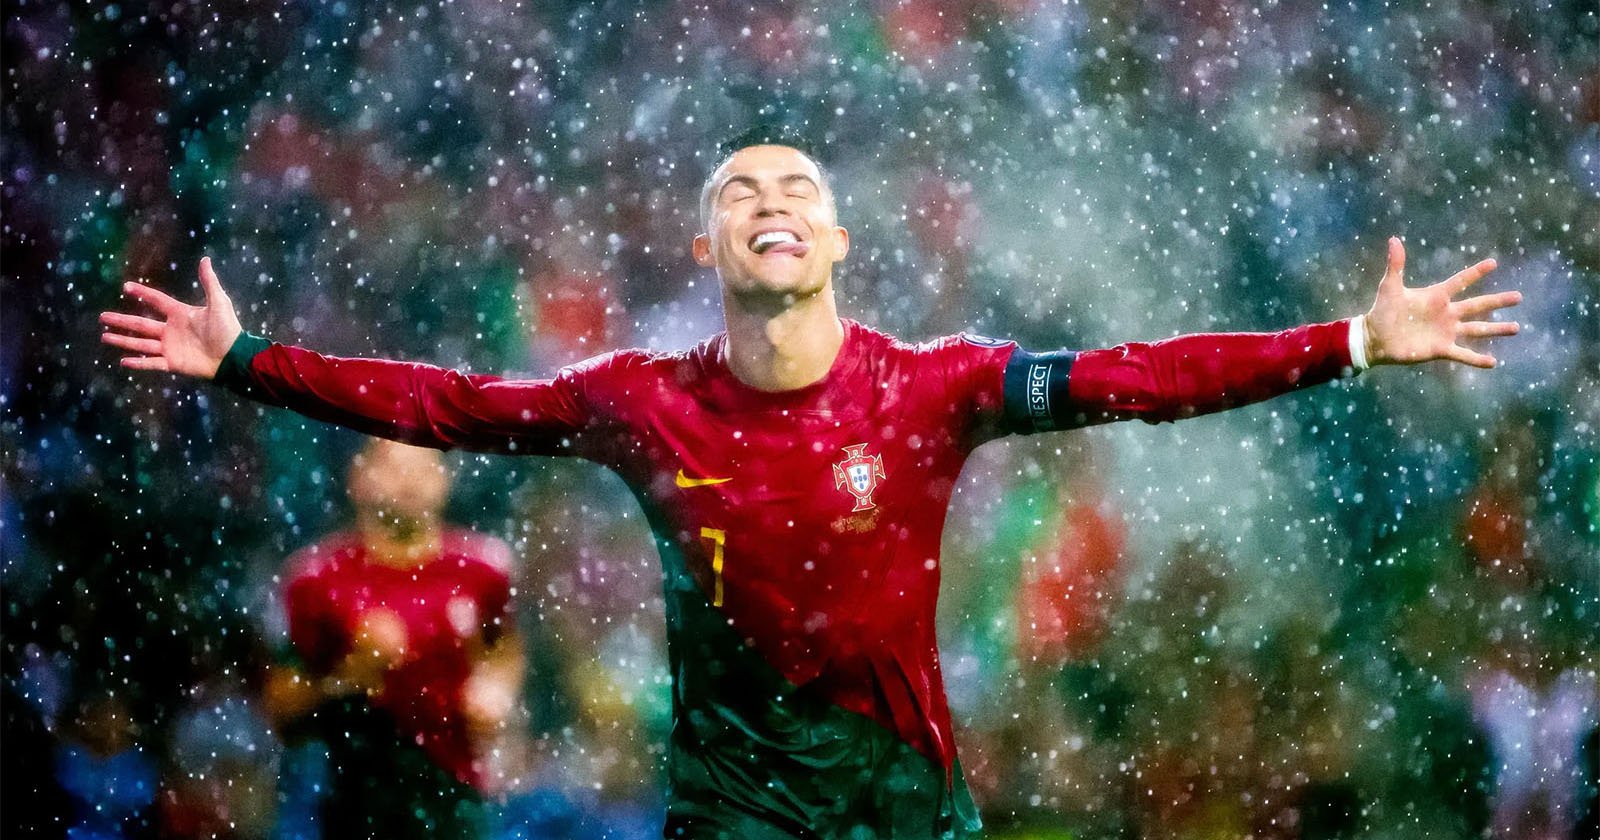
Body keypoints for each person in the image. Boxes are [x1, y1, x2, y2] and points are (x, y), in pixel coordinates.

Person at [101, 129, 1522, 838]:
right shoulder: (639, 404)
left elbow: (1148, 378)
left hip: (903, 801)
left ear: (838, 239)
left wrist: (1349, 341)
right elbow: (453, 406)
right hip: (728, 809)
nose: (772, 202)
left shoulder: (935, 388)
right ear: (711, 251)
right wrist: (248, 364)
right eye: (742, 194)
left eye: (796, 188)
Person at [260, 437, 523, 839]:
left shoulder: (483, 570)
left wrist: (496, 690)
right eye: (394, 468)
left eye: (421, 468)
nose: (409, 482)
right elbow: (283, 712)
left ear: (444, 480)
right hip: (357, 800)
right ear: (359, 479)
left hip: (454, 796)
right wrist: (353, 675)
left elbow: (503, 650)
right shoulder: (316, 580)